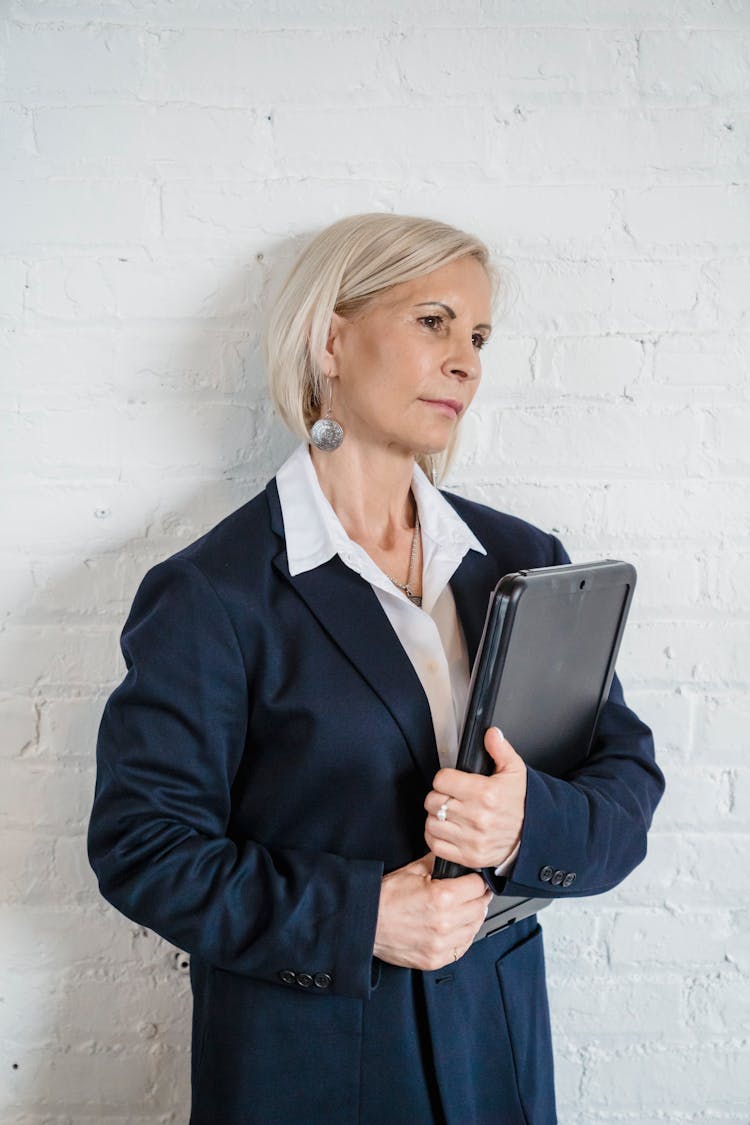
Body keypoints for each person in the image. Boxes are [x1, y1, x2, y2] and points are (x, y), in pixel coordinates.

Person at [88, 213, 664, 1125]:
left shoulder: (522, 558)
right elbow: (143, 849)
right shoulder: (214, 591)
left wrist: (523, 825)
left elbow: (625, 789)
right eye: (433, 321)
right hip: (304, 1069)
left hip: (493, 1057)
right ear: (330, 338)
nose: (467, 360)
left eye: (477, 336)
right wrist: (361, 917)